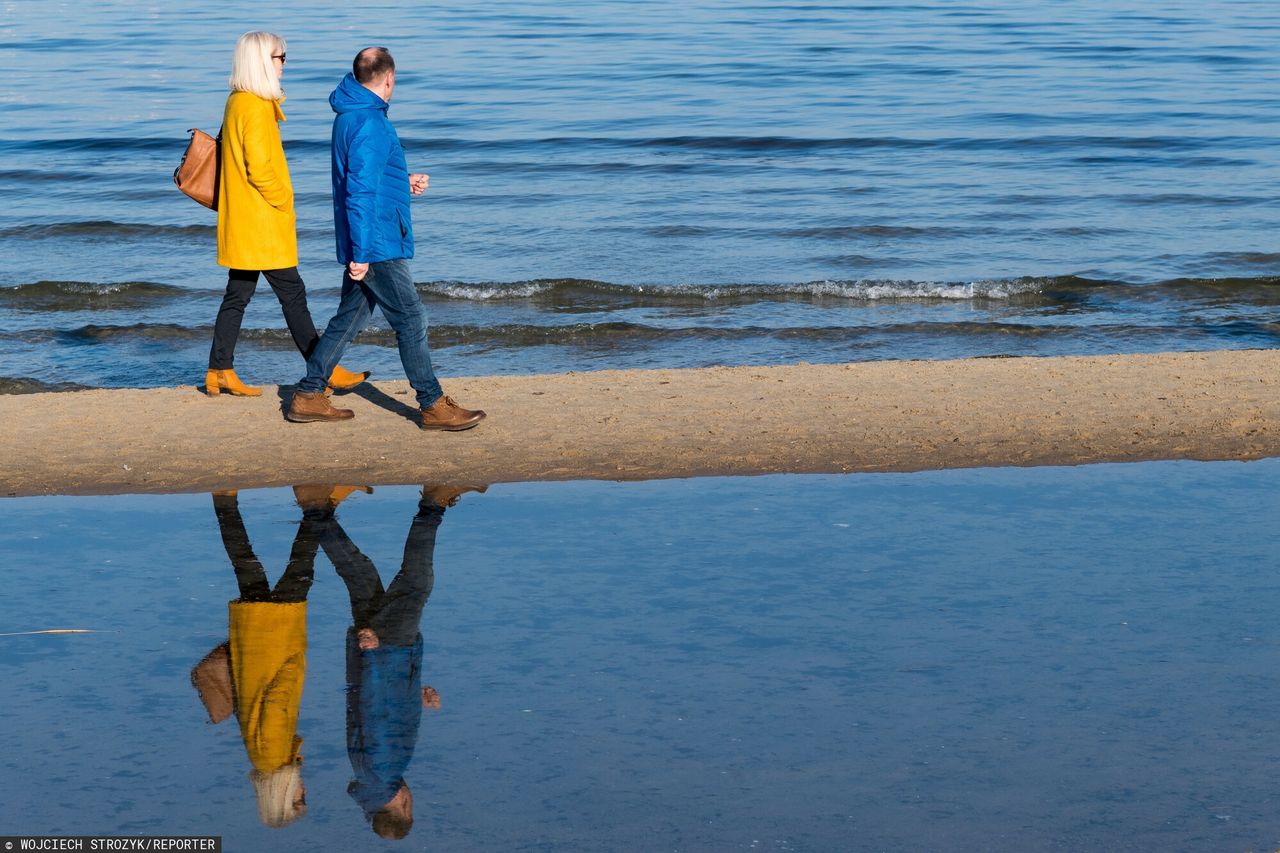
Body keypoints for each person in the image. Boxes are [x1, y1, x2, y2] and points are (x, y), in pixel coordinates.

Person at [285, 47, 484, 430]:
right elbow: (358, 191)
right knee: (411, 318)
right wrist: (361, 253)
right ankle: (432, 404)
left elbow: (364, 180)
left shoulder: (353, 115)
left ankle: (309, 394)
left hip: (371, 232)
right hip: (376, 241)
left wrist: (401, 183)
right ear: (389, 77)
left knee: (349, 319)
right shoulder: (370, 123)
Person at [295, 483, 480, 838]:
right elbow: (377, 712)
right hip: (380, 657)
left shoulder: (384, 770)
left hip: (387, 651)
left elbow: (373, 711)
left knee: (416, 584)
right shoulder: (368, 776)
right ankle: (314, 506)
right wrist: (416, 697)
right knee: (360, 575)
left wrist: (375, 654)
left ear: (403, 806)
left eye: (410, 804)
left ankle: (433, 503)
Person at [206, 31, 367, 397]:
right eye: (281, 56)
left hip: (245, 221)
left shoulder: (237, 101)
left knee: (238, 295)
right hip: (262, 221)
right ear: (263, 61)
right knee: (293, 294)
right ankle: (324, 368)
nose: (285, 63)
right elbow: (259, 169)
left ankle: (219, 369)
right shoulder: (256, 107)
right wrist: (284, 199)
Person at [190, 489, 324, 828]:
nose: (305, 790)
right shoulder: (261, 758)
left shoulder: (274, 756)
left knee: (302, 565)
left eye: (300, 797)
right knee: (245, 562)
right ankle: (225, 498)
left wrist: (296, 663)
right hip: (254, 639)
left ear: (282, 794)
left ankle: (320, 502)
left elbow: (277, 700)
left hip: (274, 639)